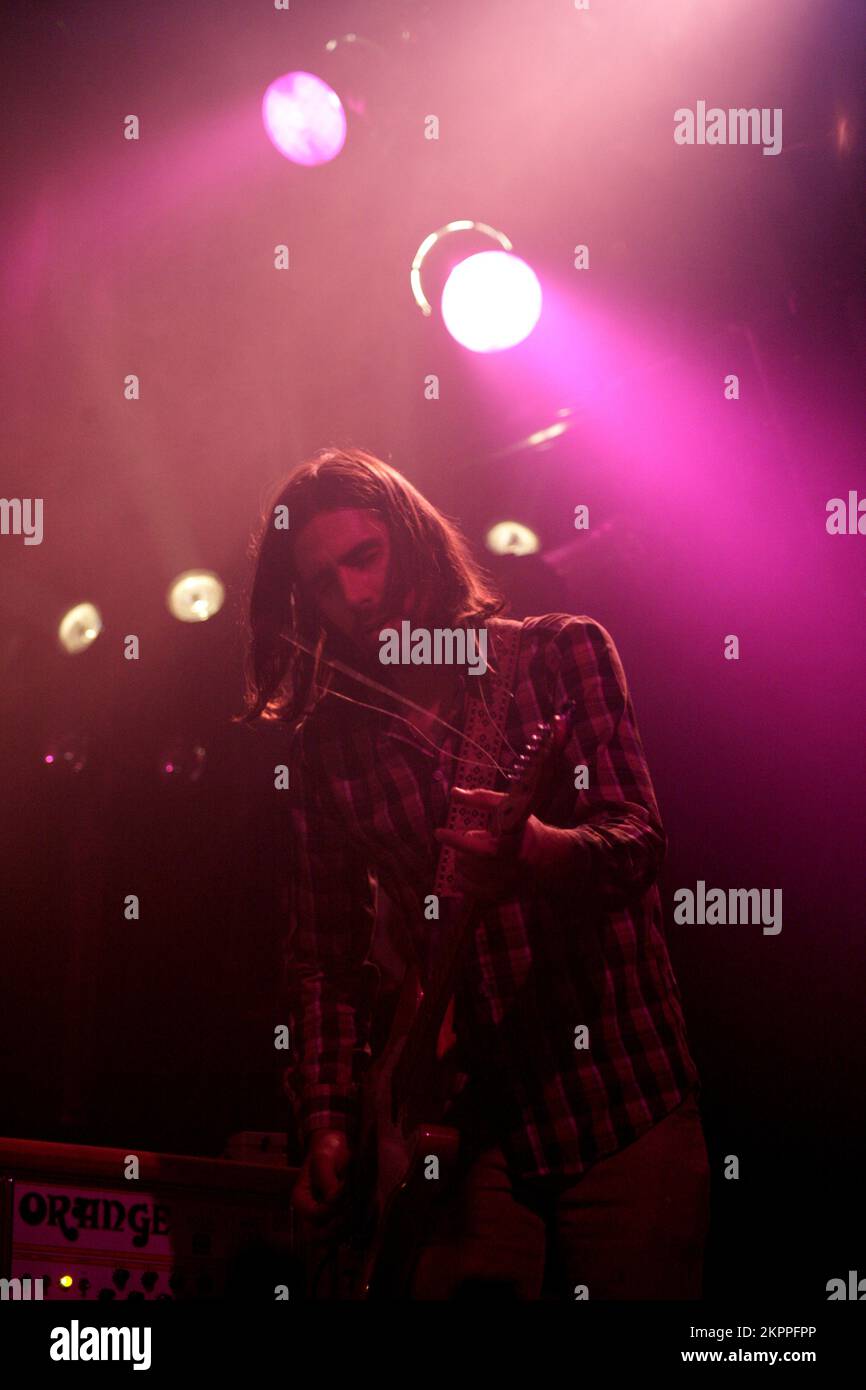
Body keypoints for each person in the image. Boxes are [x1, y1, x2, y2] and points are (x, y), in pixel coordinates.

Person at [239, 446, 710, 1299]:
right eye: (319, 582)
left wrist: (534, 850)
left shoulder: (559, 657)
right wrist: (330, 1126)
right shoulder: (323, 755)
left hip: (622, 1100)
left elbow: (637, 844)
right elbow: (323, 962)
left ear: (414, 541)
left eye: (365, 556)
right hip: (463, 1133)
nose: (351, 596)